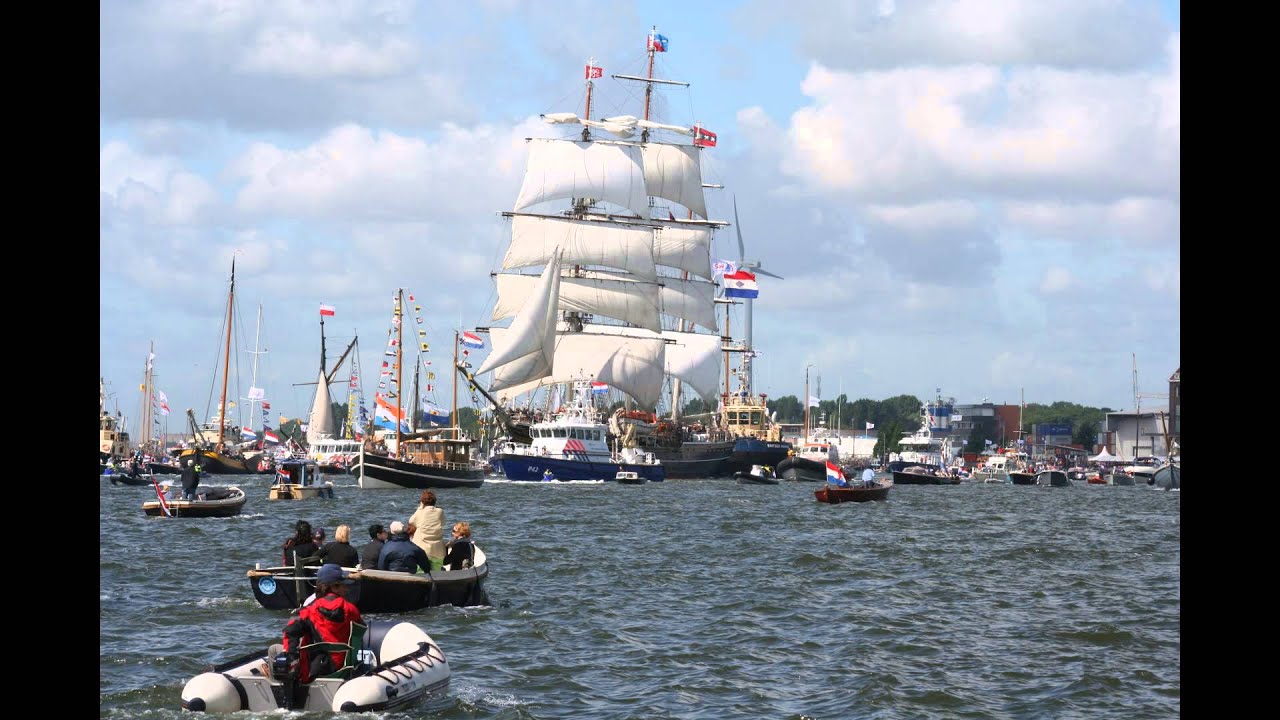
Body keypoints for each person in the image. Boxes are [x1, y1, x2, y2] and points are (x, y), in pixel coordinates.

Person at [280, 564, 364, 683]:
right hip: (343, 667)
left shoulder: (309, 611)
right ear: (334, 587)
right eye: (344, 585)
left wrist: (291, 656)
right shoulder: (351, 610)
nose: (347, 589)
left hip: (316, 668)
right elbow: (360, 632)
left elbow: (289, 631)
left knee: (275, 650)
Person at [408, 490, 446, 571]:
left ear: (422, 501)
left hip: (422, 548)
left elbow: (411, 521)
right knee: (436, 571)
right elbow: (443, 523)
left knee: (420, 571)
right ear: (434, 501)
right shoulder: (440, 511)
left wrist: (420, 508)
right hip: (437, 549)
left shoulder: (420, 512)